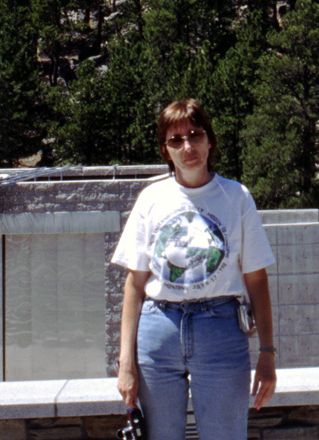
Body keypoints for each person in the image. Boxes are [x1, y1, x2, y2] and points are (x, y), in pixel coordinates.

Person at [112, 99, 276, 440]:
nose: (188, 146)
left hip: (221, 332)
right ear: (165, 150)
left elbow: (256, 279)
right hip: (158, 333)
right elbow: (134, 284)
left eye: (195, 135)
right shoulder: (151, 199)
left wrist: (267, 353)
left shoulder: (236, 197)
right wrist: (126, 360)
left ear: (210, 141)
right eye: (176, 140)